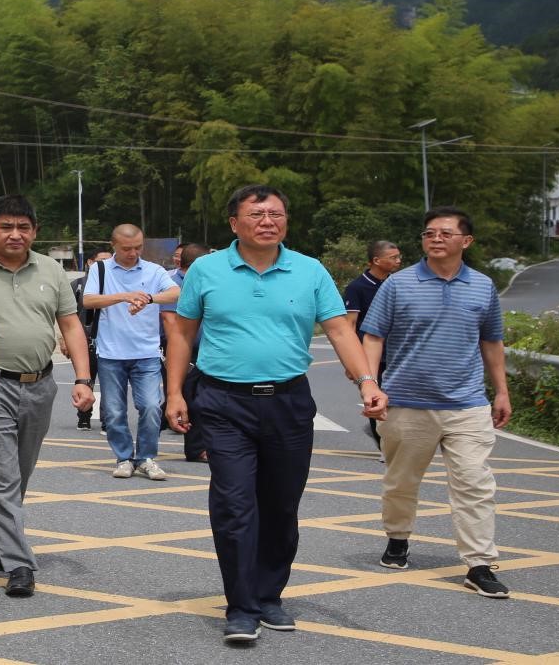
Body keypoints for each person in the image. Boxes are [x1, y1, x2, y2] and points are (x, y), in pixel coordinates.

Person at [164, 184, 386, 644]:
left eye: (276, 214)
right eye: (257, 214)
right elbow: (182, 334)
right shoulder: (206, 270)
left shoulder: (309, 270)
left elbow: (340, 330)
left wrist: (367, 380)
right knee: (234, 506)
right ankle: (241, 606)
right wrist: (174, 394)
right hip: (223, 402)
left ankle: (269, 596)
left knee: (281, 506)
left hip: (288, 401)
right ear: (234, 223)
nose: (268, 221)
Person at [360, 207, 513, 598]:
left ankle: (479, 564)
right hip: (407, 403)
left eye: (445, 233)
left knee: (475, 484)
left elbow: (491, 341)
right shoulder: (398, 284)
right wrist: (370, 385)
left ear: (467, 241)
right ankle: (397, 538)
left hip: (467, 404)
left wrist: (501, 391)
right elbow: (373, 336)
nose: (436, 239)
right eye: (429, 233)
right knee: (401, 482)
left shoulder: (482, 286)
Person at [0, 195, 95, 598]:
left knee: (18, 473)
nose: (15, 234)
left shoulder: (52, 270)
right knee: (2, 476)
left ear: (35, 232)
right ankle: (19, 564)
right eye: (6, 226)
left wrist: (83, 378)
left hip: (40, 384)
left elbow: (70, 325)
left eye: (24, 227)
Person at [81, 224, 180, 480]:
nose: (133, 253)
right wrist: (124, 296)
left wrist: (148, 298)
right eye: (127, 248)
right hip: (110, 353)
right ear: (113, 245)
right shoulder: (100, 269)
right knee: (114, 412)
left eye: (138, 247)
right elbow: (88, 300)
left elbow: (175, 292)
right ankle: (124, 457)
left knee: (151, 407)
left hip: (146, 353)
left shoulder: (154, 270)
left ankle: (146, 457)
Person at [342, 240, 402, 451]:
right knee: (375, 398)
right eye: (393, 258)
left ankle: (384, 435)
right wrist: (350, 361)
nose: (398, 261)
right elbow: (349, 325)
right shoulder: (357, 287)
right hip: (370, 354)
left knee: (398, 401)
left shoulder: (396, 284)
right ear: (376, 260)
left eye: (399, 257)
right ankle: (383, 444)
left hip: (398, 353)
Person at [161, 242, 211, 463]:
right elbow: (169, 320)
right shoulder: (173, 283)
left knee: (196, 397)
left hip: (205, 350)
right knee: (188, 398)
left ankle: (158, 424)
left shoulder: (206, 280)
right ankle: (195, 448)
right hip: (183, 351)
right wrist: (177, 354)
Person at [66, 249, 111, 431]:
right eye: (101, 260)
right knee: (86, 379)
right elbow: (66, 315)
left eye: (109, 261)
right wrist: (64, 340)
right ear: (90, 262)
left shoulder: (115, 283)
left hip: (109, 342)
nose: (105, 264)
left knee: (110, 383)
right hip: (84, 341)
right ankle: (84, 416)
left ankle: (108, 421)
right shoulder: (77, 285)